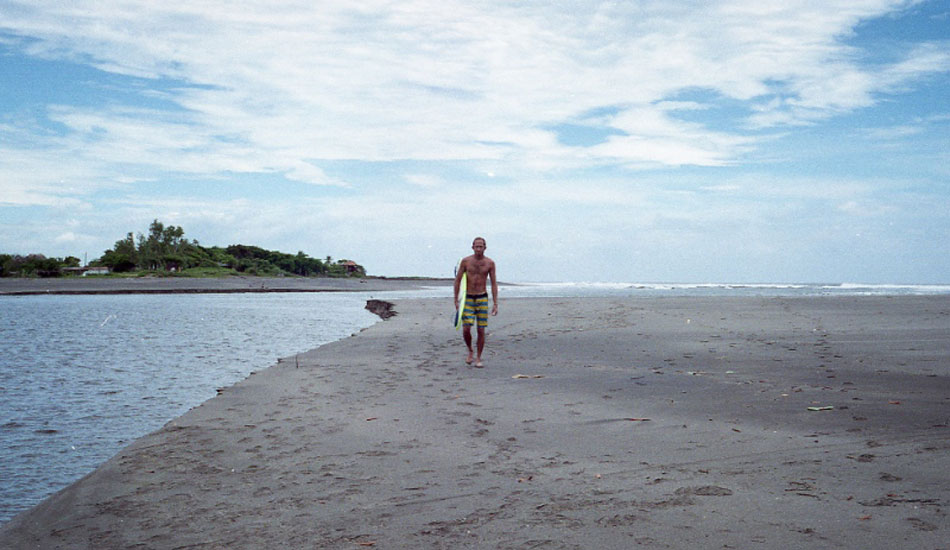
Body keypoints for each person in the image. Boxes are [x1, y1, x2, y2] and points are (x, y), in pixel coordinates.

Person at [454, 237, 498, 367]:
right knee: (466, 329)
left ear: (485, 248)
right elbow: (457, 280)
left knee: (481, 329)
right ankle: (470, 351)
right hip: (468, 298)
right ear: (472, 247)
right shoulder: (466, 261)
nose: (478, 249)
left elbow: (494, 284)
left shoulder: (490, 263)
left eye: (481, 247)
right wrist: (456, 299)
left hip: (482, 298)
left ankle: (478, 357)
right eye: (476, 246)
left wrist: (495, 303)